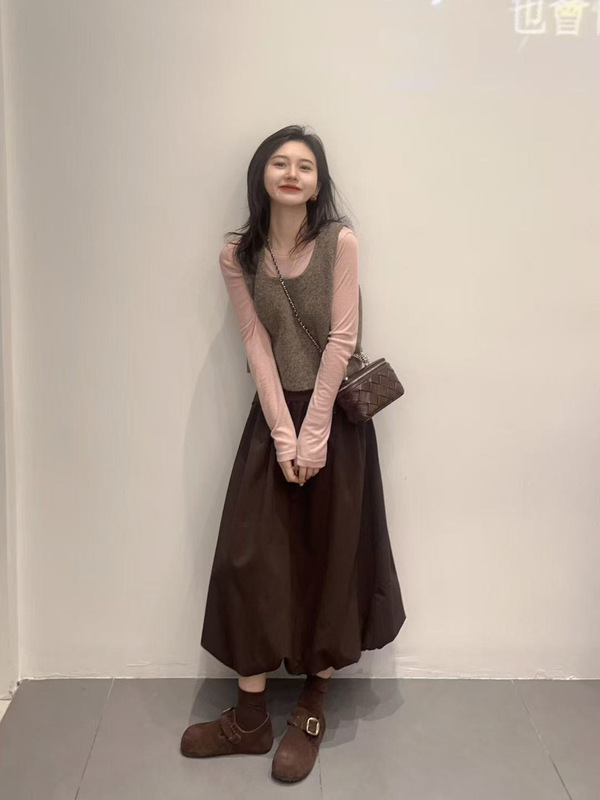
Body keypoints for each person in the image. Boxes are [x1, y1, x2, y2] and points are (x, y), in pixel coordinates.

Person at [180, 125, 406, 782]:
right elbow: (255, 342)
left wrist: (314, 435)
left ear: (317, 182)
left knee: (329, 559)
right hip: (273, 417)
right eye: (279, 162)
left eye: (304, 166)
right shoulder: (239, 254)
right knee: (248, 558)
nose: (291, 172)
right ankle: (250, 719)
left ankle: (311, 708)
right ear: (262, 173)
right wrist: (284, 434)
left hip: (335, 421)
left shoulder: (340, 242)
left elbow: (341, 339)